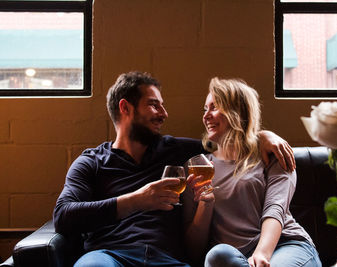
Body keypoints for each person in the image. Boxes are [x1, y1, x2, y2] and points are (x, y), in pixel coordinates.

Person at [53, 71, 295, 267]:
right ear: (125, 108)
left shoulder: (175, 149)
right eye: (154, 105)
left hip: (167, 259)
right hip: (108, 256)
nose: (164, 114)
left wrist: (263, 136)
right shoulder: (92, 162)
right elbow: (64, 216)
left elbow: (227, 142)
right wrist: (137, 200)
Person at [184, 77, 322, 267]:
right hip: (235, 258)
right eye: (205, 109)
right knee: (217, 255)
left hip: (284, 246)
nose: (206, 115)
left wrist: (261, 254)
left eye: (214, 107)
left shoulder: (273, 155)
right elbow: (194, 251)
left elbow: (275, 209)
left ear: (237, 111)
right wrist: (205, 205)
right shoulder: (200, 167)